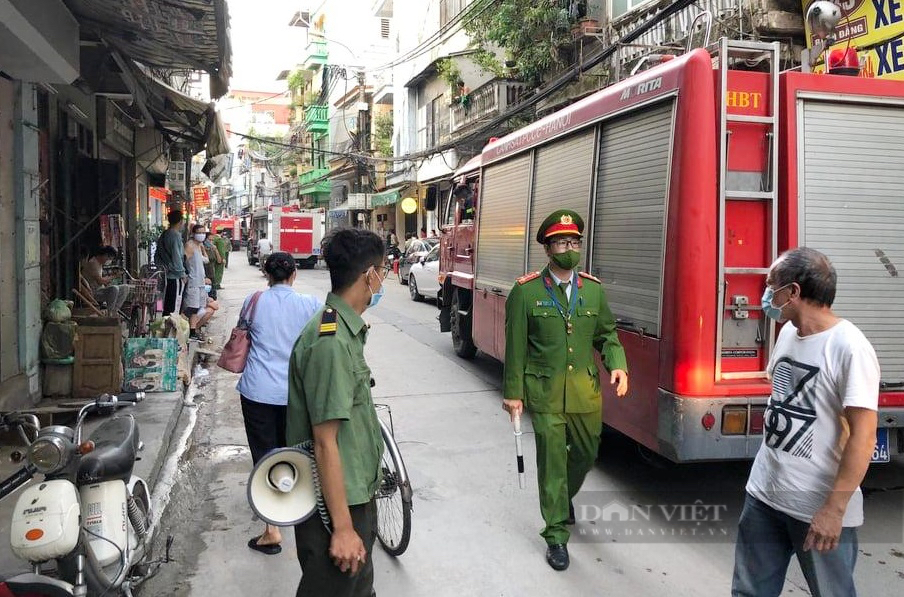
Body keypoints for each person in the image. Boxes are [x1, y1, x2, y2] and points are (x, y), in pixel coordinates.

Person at [732, 247, 879, 597]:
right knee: (748, 593)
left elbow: (864, 435)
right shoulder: (787, 334)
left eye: (772, 286)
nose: (766, 295)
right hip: (764, 496)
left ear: (793, 292)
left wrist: (834, 508)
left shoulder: (850, 348)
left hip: (816, 508)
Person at [502, 209, 628, 571]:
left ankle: (563, 497)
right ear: (547, 249)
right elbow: (515, 347)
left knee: (586, 456)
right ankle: (556, 533)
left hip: (585, 391)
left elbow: (606, 334)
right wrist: (514, 394)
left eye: (573, 242)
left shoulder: (593, 290)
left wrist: (617, 364)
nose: (568, 248)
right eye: (561, 242)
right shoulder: (525, 292)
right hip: (543, 393)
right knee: (552, 462)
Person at [286, 228, 388, 597]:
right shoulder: (329, 342)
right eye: (384, 270)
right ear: (369, 276)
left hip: (354, 493)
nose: (384, 279)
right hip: (335, 505)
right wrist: (343, 528)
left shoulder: (345, 331)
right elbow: (325, 441)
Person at [237, 252, 323, 556]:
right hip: (295, 394)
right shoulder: (311, 305)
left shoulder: (253, 301)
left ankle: (272, 530)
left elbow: (242, 331)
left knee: (264, 453)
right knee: (297, 451)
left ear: (266, 274)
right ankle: (299, 504)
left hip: (258, 391)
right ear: (294, 274)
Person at [81, 246, 132, 316]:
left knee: (125, 287)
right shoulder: (93, 263)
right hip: (93, 292)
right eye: (109, 259)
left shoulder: (100, 264)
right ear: (105, 255)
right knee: (114, 289)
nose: (109, 261)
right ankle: (109, 312)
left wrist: (108, 281)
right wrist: (114, 276)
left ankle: (114, 311)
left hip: (100, 290)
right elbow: (100, 281)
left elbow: (102, 281)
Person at [155, 210, 186, 316]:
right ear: (181, 221)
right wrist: (182, 274)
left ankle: (160, 321)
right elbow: (177, 257)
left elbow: (157, 255)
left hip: (162, 275)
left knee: (161, 301)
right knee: (172, 307)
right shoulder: (175, 235)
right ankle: (169, 329)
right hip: (173, 277)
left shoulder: (164, 234)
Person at [182, 224, 209, 340]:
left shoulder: (198, 246)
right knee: (191, 308)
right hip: (193, 282)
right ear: (193, 234)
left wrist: (203, 248)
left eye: (204, 232)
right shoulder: (189, 246)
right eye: (200, 232)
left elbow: (206, 260)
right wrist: (184, 275)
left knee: (198, 308)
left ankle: (192, 331)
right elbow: (183, 260)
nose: (202, 235)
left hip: (200, 282)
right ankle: (188, 331)